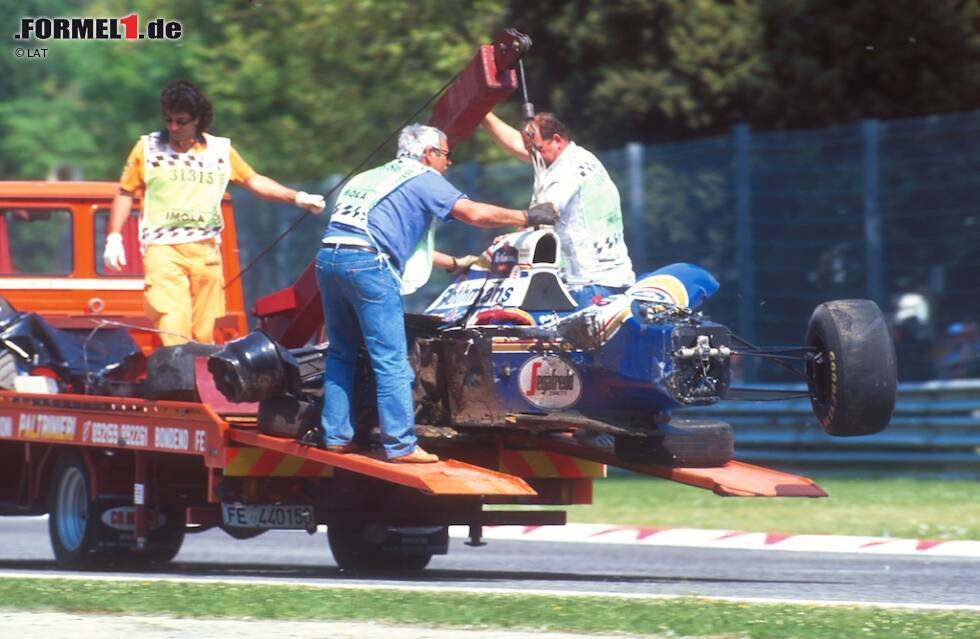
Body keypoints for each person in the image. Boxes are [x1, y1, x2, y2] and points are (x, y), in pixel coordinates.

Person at [315, 123, 556, 463]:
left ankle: (336, 436)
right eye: (446, 155)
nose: (449, 164)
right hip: (368, 265)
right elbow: (473, 213)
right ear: (428, 154)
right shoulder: (422, 178)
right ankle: (400, 445)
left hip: (329, 259)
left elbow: (386, 236)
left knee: (341, 353)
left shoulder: (369, 177)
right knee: (391, 359)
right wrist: (527, 215)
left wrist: (455, 263)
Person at [103, 79, 326, 345]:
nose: (173, 127)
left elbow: (253, 180)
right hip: (162, 249)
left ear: (198, 119)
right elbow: (126, 191)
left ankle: (201, 383)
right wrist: (114, 236)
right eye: (169, 120)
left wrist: (297, 197)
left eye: (181, 121)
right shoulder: (148, 148)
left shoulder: (219, 151)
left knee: (205, 333)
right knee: (172, 324)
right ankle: (177, 381)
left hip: (206, 250)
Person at [481, 111, 636, 307]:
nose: (532, 156)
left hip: (588, 286)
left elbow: (546, 213)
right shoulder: (578, 156)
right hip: (611, 280)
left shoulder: (567, 170)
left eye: (536, 149)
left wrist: (510, 230)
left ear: (556, 140)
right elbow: (518, 144)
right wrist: (483, 114)